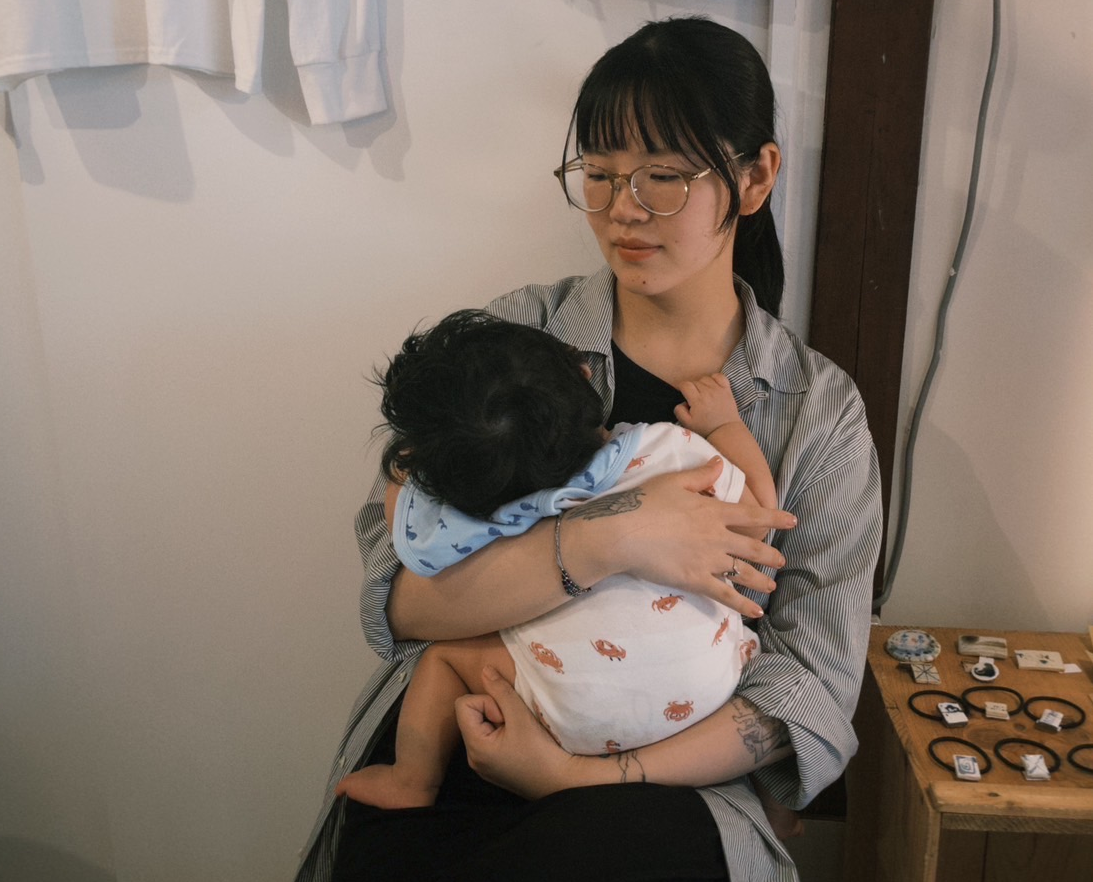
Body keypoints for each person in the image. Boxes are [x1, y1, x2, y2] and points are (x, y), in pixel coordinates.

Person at [295, 15, 882, 882]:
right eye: (599, 176)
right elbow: (401, 597)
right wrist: (615, 537)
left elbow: (808, 691)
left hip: (663, 779)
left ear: (755, 177)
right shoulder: (516, 337)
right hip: (468, 721)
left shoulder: (817, 416)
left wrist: (580, 777)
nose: (623, 210)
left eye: (664, 177)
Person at [333, 308, 799, 838]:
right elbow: (760, 518)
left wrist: (413, 477)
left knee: (443, 658)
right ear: (583, 373)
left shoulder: (486, 507)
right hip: (698, 702)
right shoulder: (671, 451)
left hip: (560, 714)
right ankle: (779, 807)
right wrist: (724, 426)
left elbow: (408, 533)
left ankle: (412, 780)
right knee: (748, 652)